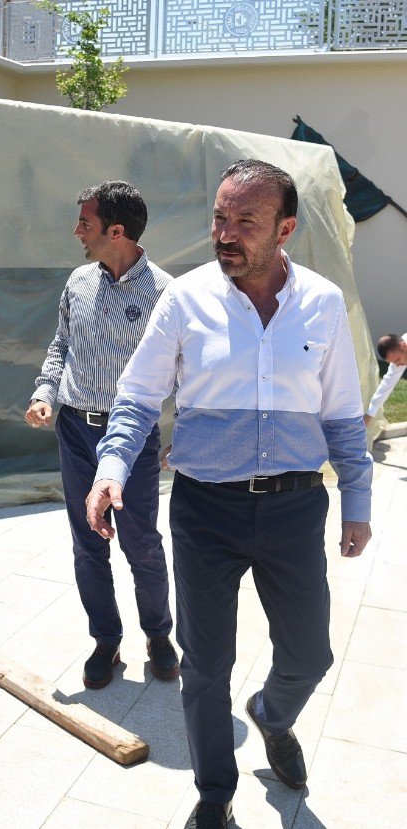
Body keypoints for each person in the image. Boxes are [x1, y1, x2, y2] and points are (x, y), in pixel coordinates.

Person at [86, 159, 372, 829]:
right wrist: (111, 469)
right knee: (207, 665)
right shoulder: (185, 299)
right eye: (220, 217)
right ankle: (214, 794)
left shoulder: (324, 304)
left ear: (286, 228)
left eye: (246, 221)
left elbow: (341, 417)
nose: (226, 232)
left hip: (295, 507)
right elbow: (135, 396)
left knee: (311, 653)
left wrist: (356, 500)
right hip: (204, 511)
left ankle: (273, 714)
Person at [25, 180, 178, 690]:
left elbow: (187, 373)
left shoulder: (164, 294)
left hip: (131, 439)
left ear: (117, 231)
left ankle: (159, 636)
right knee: (87, 543)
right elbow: (59, 347)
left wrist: (189, 429)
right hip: (74, 432)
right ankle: (105, 641)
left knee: (141, 544)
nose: (76, 232)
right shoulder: (77, 283)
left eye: (85, 224)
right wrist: (46, 392)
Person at [364, 332, 407, 426]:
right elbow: (386, 385)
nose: (397, 365)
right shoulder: (399, 357)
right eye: (393, 362)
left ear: (403, 346)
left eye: (397, 360)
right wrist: (369, 415)